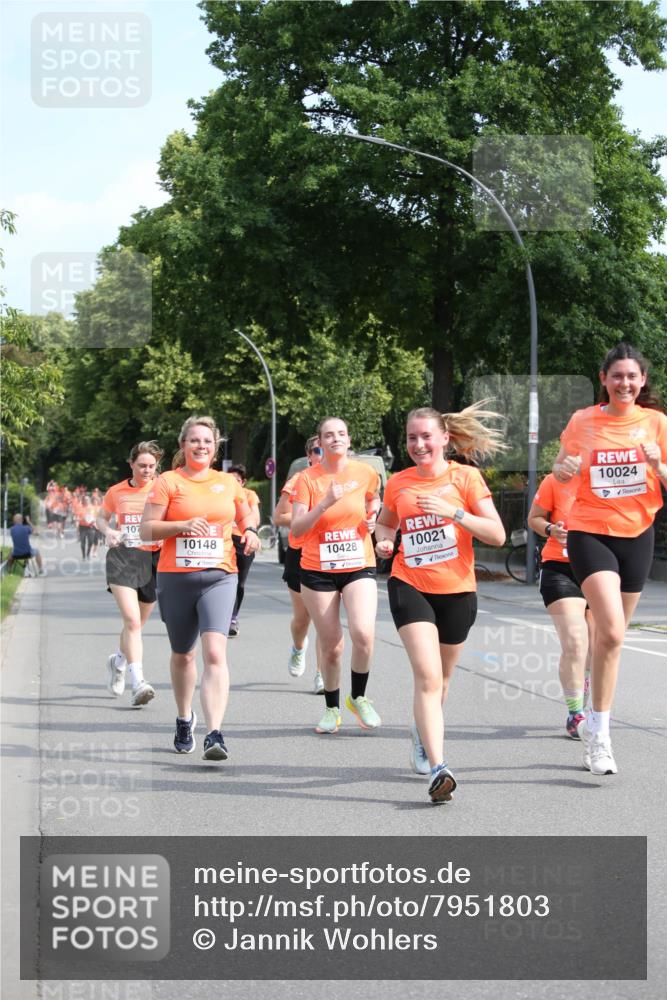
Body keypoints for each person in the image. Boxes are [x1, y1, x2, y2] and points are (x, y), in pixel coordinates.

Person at [375, 403, 506, 804]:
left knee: (442, 681)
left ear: (444, 438)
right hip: (409, 583)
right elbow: (386, 521)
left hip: (458, 591)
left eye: (426, 436)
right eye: (412, 437)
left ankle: (420, 731)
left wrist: (454, 512)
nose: (418, 444)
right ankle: (439, 767)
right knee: (428, 677)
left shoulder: (465, 478)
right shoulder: (398, 482)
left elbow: (497, 534)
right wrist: (383, 540)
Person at [553, 343, 667, 775]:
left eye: (631, 377)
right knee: (614, 633)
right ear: (603, 379)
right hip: (589, 531)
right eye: (616, 376)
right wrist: (563, 470)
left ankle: (593, 715)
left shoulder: (657, 423)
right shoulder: (584, 420)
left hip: (637, 533)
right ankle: (600, 736)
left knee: (609, 639)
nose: (624, 383)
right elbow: (563, 466)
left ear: (642, 382)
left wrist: (658, 466)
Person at [140, 416, 260, 761]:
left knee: (214, 653)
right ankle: (183, 717)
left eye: (207, 441)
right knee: (183, 654)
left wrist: (250, 531)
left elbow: (246, 516)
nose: (201, 446)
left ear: (215, 446)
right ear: (183, 445)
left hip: (220, 575)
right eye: (194, 440)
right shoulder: (167, 482)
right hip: (175, 577)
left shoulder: (227, 483)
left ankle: (214, 732)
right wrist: (180, 525)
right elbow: (147, 531)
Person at [291, 417, 382, 734]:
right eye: (328, 435)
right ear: (319, 442)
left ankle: (358, 697)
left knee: (364, 634)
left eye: (341, 433)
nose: (335, 439)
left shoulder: (364, 472)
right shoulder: (307, 479)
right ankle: (331, 708)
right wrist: (325, 503)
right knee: (332, 646)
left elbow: (374, 497)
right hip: (318, 570)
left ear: (348, 438)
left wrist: (372, 516)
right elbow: (297, 528)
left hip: (358, 563)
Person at [97, 441, 164, 708]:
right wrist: (108, 531)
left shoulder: (163, 488)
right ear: (131, 464)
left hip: (154, 558)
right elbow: (100, 518)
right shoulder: (117, 491)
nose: (147, 471)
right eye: (142, 466)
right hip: (123, 557)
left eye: (151, 466)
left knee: (137, 624)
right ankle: (139, 682)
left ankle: (119, 661)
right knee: (133, 622)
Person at [527, 472, 593, 738]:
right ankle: (575, 714)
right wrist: (551, 529)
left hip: (599, 568)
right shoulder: (555, 481)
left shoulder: (606, 481)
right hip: (560, 569)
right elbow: (534, 518)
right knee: (575, 642)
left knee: (596, 647)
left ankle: (584, 679)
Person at [272, 435, 324, 692]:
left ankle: (322, 674)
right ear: (309, 455)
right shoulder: (298, 481)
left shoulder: (345, 480)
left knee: (326, 618)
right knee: (303, 619)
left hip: (330, 554)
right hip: (300, 552)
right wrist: (307, 517)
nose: (323, 453)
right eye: (318, 449)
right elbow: (279, 516)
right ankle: (298, 648)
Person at [227, 464, 261, 637]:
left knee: (239, 582)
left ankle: (233, 617)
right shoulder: (220, 494)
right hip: (224, 541)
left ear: (243, 482)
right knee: (225, 579)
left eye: (237, 480)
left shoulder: (249, 495)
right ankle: (223, 617)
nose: (233, 483)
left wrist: (246, 525)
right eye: (230, 479)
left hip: (243, 541)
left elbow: (256, 517)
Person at [76, 494, 97, 560]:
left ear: (89, 500)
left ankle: (88, 554)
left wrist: (94, 521)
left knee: (90, 542)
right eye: (85, 500)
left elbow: (96, 517)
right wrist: (77, 528)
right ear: (83, 500)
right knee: (83, 542)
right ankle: (83, 556)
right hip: (82, 527)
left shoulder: (93, 508)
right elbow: (77, 517)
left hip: (91, 527)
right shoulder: (80, 507)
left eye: (87, 499)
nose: (86, 501)